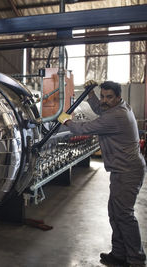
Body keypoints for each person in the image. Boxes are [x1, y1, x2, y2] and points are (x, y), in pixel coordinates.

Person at [58, 80, 146, 267]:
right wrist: (91, 95)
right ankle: (119, 254)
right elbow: (100, 108)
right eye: (103, 96)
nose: (105, 100)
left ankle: (136, 260)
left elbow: (83, 129)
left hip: (127, 171)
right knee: (115, 213)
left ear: (118, 97)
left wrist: (64, 119)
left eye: (109, 97)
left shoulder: (117, 116)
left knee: (124, 215)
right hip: (122, 170)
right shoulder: (118, 107)